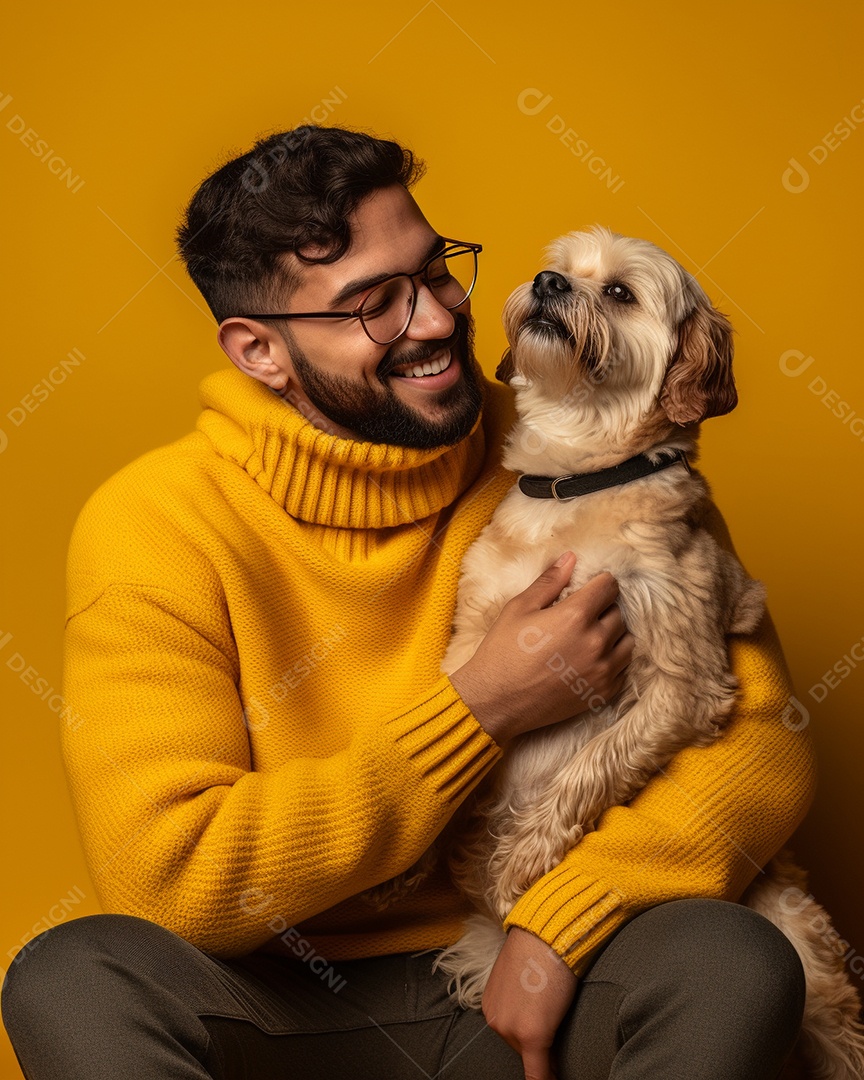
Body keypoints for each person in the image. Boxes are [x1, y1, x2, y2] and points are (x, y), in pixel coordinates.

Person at [2, 125, 816, 1080]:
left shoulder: (586, 435)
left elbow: (762, 743)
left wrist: (562, 924)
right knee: (72, 975)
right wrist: (484, 705)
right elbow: (175, 873)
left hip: (529, 977)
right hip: (278, 1003)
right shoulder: (157, 522)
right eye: (371, 306)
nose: (433, 321)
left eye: (436, 274)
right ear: (260, 350)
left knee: (728, 959)